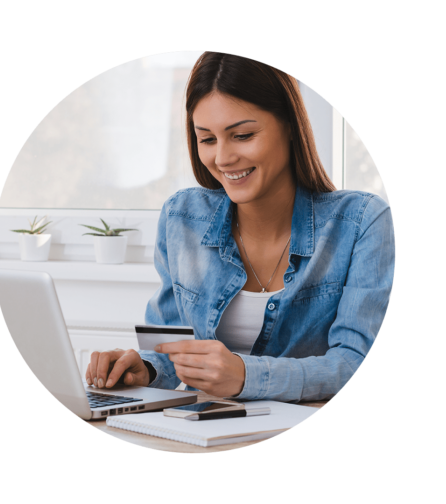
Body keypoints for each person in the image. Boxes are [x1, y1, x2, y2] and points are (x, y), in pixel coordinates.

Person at [85, 51, 395, 403]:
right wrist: (147, 368)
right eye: (207, 139)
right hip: (202, 430)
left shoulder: (361, 222)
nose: (222, 158)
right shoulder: (180, 217)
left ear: (290, 125)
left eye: (243, 135)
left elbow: (354, 364)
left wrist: (246, 375)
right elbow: (172, 350)